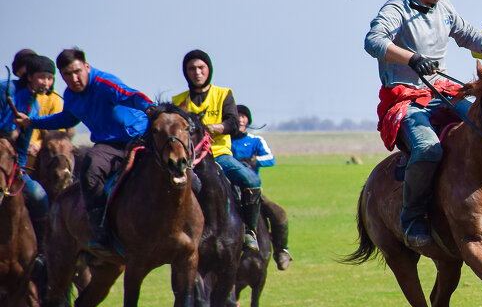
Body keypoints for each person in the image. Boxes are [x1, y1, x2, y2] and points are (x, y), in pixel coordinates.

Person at [364, 0, 482, 248]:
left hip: (444, 94)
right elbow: (373, 40)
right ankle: (413, 216)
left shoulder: (444, 7)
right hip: (406, 100)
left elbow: (468, 35)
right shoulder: (396, 9)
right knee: (429, 149)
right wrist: (411, 59)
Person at [14, 48, 151, 252]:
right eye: (68, 74)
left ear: (87, 67)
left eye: (77, 71)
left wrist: (150, 107)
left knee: (172, 163)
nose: (74, 78)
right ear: (61, 76)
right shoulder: (71, 95)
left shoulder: (104, 83)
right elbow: (67, 118)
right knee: (90, 167)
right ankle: (100, 229)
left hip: (138, 137)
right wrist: (32, 122)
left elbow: (131, 95)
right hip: (109, 145)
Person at [172, 49, 262, 251]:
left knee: (252, 181)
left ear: (208, 69)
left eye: (201, 68)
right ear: (186, 72)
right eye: (192, 68)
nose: (197, 72)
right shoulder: (179, 101)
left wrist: (212, 128)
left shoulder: (223, 94)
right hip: (189, 160)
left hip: (219, 155)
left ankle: (249, 230)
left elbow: (232, 122)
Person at [0, 53, 57, 252]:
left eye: (49, 78)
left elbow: (23, 147)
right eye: (41, 77)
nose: (46, 82)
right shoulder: (5, 90)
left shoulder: (36, 107)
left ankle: (41, 251)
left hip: (12, 165)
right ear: (29, 75)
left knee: (40, 195)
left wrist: (20, 171)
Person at [232, 105, 292, 270]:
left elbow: (270, 158)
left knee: (279, 214)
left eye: (244, 116)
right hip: (227, 190)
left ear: (248, 120)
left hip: (251, 192)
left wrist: (254, 161)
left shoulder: (255, 140)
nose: (240, 119)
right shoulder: (224, 141)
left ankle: (281, 251)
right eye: (237, 116)